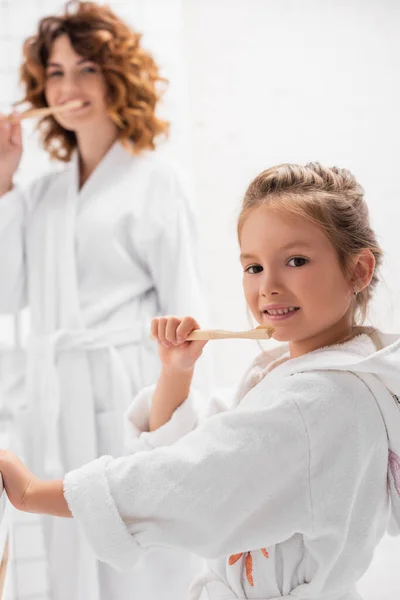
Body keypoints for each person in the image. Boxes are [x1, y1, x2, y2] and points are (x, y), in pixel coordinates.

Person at [1, 162, 399, 600]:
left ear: (358, 271)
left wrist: (30, 492)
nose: (268, 286)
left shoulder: (319, 400)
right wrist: (177, 372)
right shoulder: (312, 377)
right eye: (253, 267)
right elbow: (205, 445)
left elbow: (190, 477)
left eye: (296, 261)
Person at [0, 2, 211, 599]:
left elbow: (187, 308)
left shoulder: (156, 179)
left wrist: (184, 427)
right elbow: (7, 294)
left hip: (130, 390)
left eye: (87, 68)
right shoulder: (40, 194)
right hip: (56, 395)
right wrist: (3, 178)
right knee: (72, 552)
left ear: (117, 75)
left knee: (140, 548)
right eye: (57, 72)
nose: (70, 87)